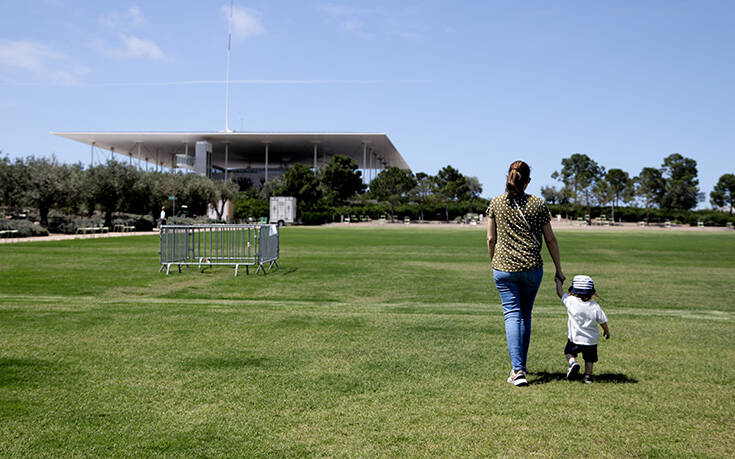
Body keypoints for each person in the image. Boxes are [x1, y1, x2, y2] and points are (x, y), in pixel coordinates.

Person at [487, 160, 564, 386]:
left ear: (508, 177)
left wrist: (494, 261)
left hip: (504, 268)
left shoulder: (496, 203)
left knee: (512, 314)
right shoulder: (538, 204)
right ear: (527, 180)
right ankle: (521, 365)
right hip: (532, 268)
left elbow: (491, 238)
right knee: (525, 314)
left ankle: (518, 370)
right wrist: (559, 269)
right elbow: (550, 238)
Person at [555, 275, 610, 384]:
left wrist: (558, 282)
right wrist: (606, 331)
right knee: (589, 359)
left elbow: (560, 293)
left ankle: (572, 363)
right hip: (590, 340)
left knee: (569, 352)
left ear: (574, 291)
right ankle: (588, 376)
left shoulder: (571, 301)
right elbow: (602, 321)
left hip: (575, 338)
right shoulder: (595, 306)